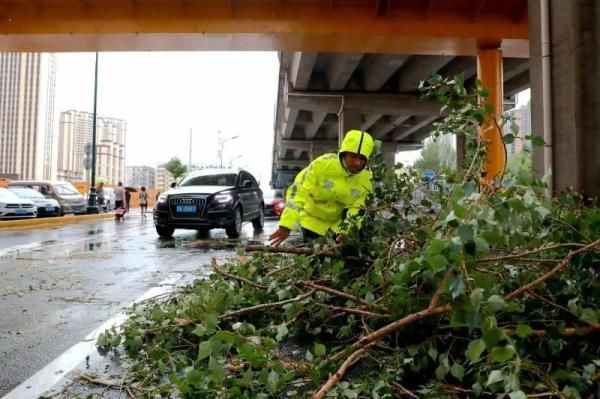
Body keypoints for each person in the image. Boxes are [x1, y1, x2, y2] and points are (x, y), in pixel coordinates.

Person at [269, 129, 374, 246]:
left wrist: (346, 231)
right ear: (344, 153)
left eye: (362, 158)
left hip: (336, 225)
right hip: (311, 221)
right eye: (353, 156)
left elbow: (358, 209)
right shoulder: (322, 164)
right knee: (314, 258)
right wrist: (286, 225)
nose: (357, 163)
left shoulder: (366, 180)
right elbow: (298, 192)